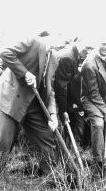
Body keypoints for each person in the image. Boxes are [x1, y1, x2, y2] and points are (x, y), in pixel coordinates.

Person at [0, 33, 59, 176]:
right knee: (3, 142)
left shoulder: (56, 58)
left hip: (34, 103)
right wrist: (25, 73)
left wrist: (53, 114)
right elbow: (5, 52)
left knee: (46, 137)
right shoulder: (32, 40)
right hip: (13, 98)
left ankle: (52, 178)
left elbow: (50, 88)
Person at [81, 36, 106, 169]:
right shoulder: (90, 65)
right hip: (90, 99)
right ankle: (99, 161)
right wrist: (105, 111)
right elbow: (93, 94)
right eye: (103, 44)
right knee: (99, 123)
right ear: (96, 43)